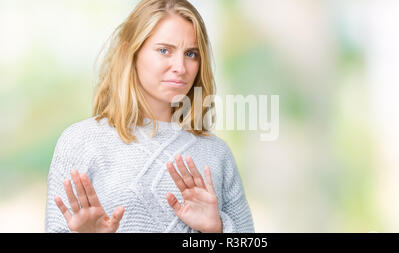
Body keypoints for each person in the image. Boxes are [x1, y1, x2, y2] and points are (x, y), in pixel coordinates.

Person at [45, 0, 254, 233]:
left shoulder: (217, 154)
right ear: (130, 52)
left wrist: (217, 230)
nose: (180, 67)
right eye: (164, 50)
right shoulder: (81, 141)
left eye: (191, 54)